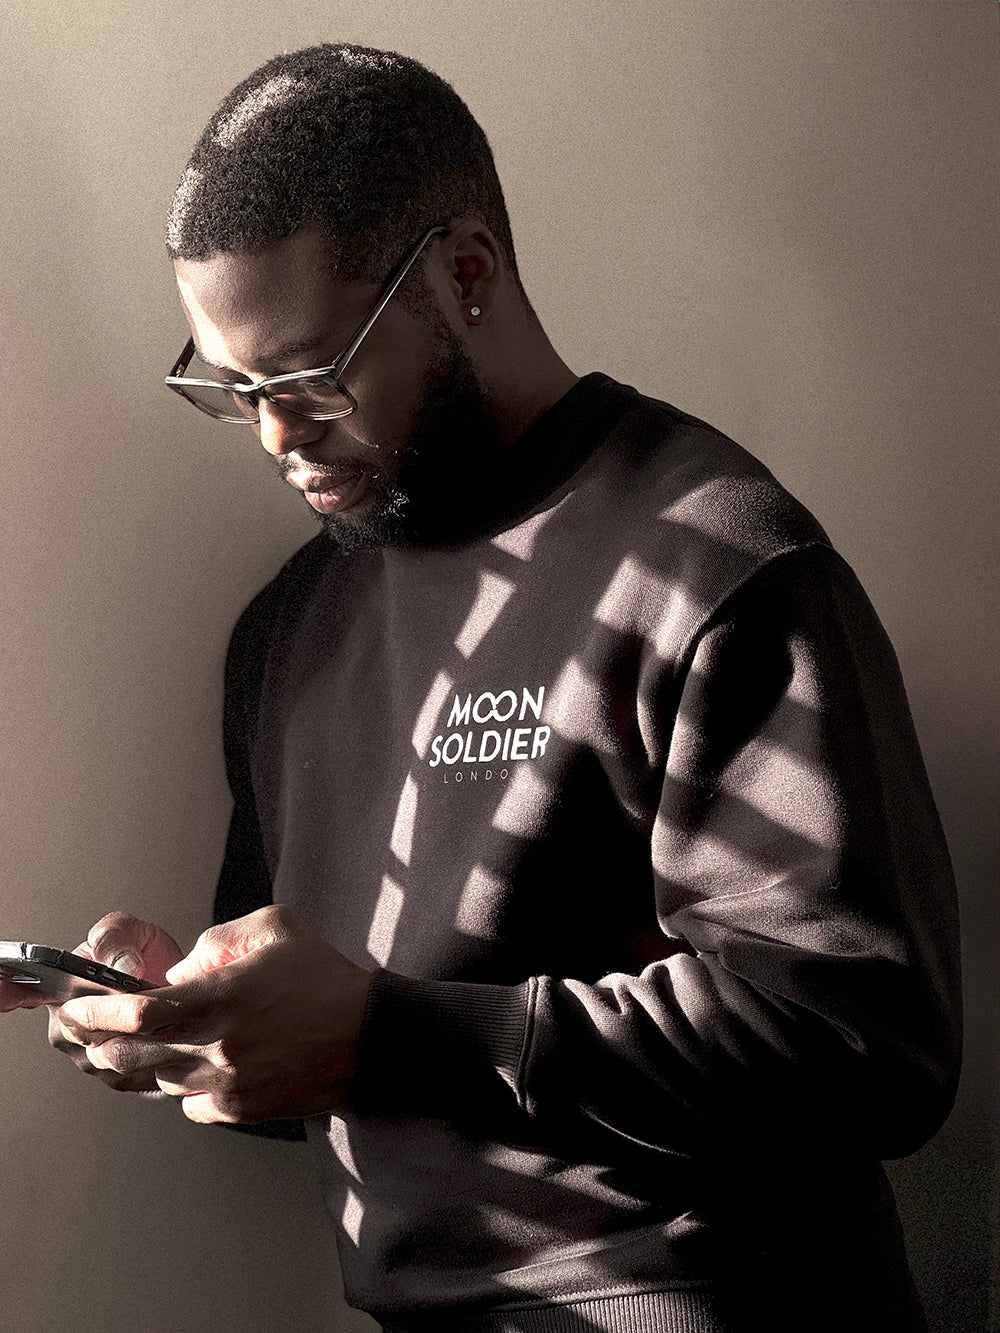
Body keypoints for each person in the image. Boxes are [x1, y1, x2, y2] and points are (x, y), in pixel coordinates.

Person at [3, 43, 961, 1333]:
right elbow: (353, 1056)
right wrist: (197, 1017)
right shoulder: (292, 625)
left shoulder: (710, 560)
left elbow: (869, 1051)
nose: (280, 437)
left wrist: (388, 1033)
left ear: (465, 276)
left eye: (309, 376)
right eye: (236, 393)